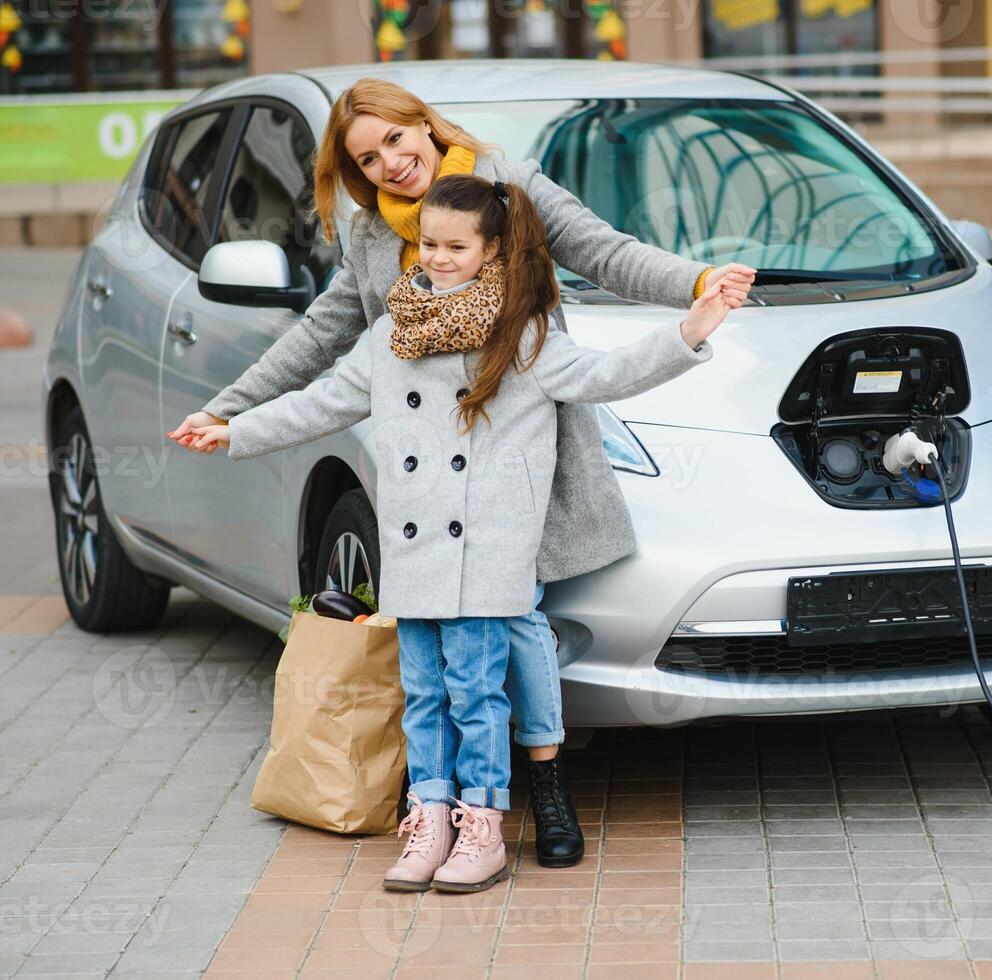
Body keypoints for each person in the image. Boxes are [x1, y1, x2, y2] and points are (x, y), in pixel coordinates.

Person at [164, 78, 756, 866]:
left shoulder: (511, 199)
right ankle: (437, 809)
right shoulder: (377, 247)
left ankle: (535, 789)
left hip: (515, 443)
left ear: (424, 127)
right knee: (441, 667)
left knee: (514, 628)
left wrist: (694, 288)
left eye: (396, 142)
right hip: (422, 477)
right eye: (366, 158)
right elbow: (321, 349)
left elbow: (607, 256)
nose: (388, 164)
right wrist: (228, 414)